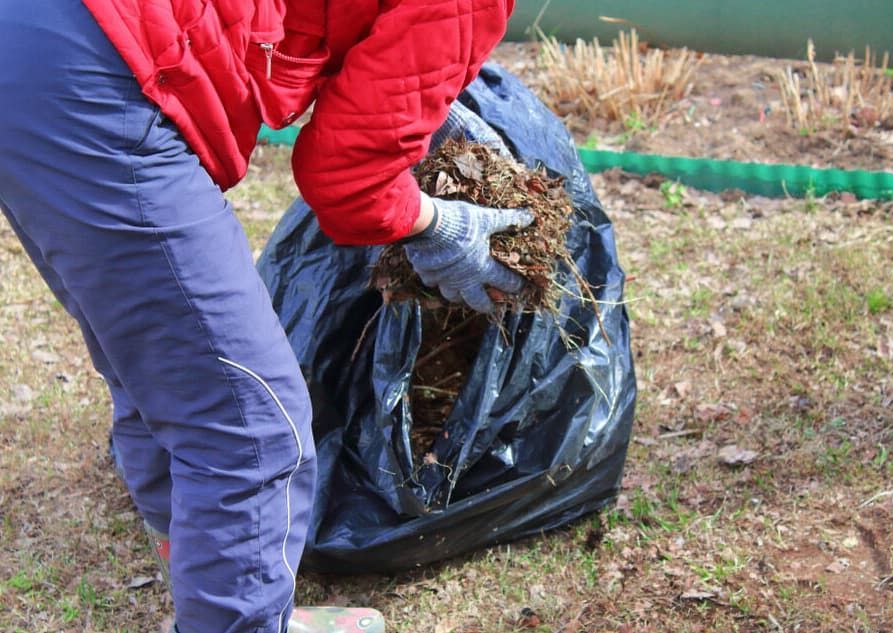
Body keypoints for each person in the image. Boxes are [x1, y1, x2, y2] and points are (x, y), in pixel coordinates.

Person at [0, 1, 528, 631]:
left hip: (32, 42)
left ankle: (205, 573)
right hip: (98, 68)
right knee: (248, 428)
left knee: (160, 352)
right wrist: (442, 225)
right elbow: (348, 179)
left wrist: (418, 118)